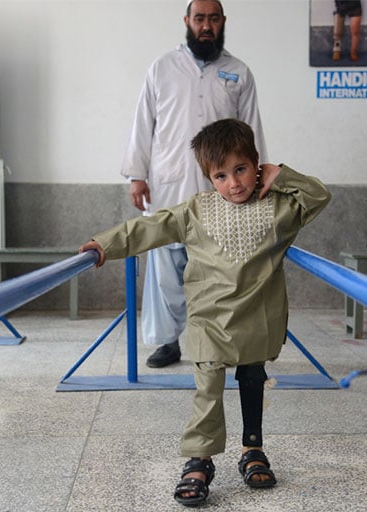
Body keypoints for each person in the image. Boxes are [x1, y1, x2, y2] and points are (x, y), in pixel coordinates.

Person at [80, 119, 331, 506]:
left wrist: (282, 176)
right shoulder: (196, 210)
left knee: (252, 379)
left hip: (258, 318)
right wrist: (104, 245)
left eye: (242, 169)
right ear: (208, 178)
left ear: (257, 164)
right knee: (208, 391)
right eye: (220, 175)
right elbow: (151, 227)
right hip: (210, 320)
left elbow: (319, 196)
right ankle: (200, 459)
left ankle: (252, 449)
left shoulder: (280, 206)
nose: (234, 183)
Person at [121, 0, 267, 369]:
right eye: (199, 18)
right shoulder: (163, 68)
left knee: (221, 270)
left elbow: (252, 132)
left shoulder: (239, 72)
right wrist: (137, 174)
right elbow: (143, 123)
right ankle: (167, 342)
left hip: (223, 191)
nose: (206, 26)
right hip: (169, 185)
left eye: (213, 19)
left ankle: (221, 340)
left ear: (223, 22)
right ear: (186, 21)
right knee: (165, 269)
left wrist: (259, 179)